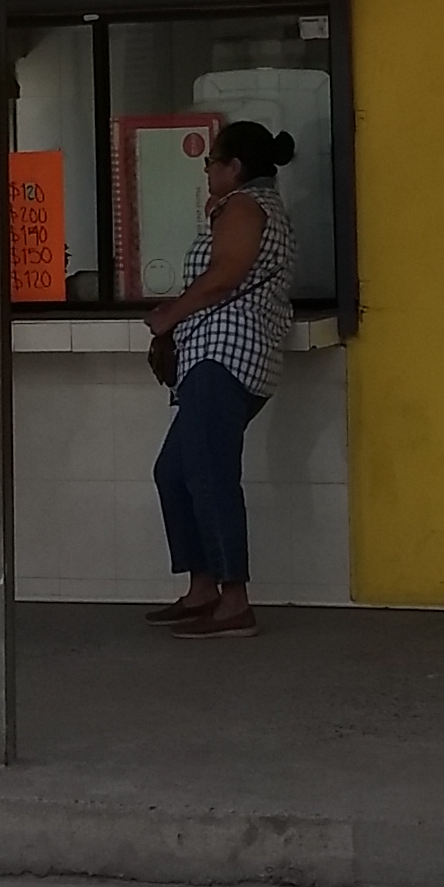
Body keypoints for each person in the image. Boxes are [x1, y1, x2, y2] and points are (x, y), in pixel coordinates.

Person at [138, 118, 295, 640]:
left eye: (212, 162)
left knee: (206, 473)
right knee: (175, 471)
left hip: (225, 356)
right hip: (217, 357)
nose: (205, 171)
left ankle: (234, 598)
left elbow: (226, 273)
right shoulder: (246, 207)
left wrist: (169, 316)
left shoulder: (246, 207)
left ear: (235, 168)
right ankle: (203, 586)